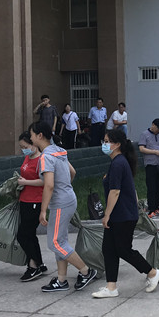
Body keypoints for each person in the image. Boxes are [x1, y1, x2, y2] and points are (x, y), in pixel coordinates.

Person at [92, 129, 159, 298]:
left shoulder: (118, 163)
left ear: (117, 144)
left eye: (107, 141)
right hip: (121, 214)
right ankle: (111, 287)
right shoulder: (119, 161)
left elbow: (115, 191)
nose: (104, 144)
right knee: (109, 249)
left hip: (122, 215)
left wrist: (107, 214)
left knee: (123, 249)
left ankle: (152, 272)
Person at [32, 121, 98, 292]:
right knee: (60, 241)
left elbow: (49, 185)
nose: (31, 138)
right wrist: (65, 188)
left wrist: (43, 210)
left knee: (55, 242)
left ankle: (86, 271)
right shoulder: (59, 151)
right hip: (68, 198)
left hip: (60, 202)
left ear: (40, 136)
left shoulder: (46, 156)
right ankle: (61, 280)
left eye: (32, 135)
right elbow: (72, 172)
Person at [16, 131, 48, 281]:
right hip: (25, 199)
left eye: (25, 147)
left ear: (33, 144)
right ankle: (39, 263)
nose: (24, 150)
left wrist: (25, 182)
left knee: (23, 235)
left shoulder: (41, 160)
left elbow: (44, 181)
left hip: (35, 200)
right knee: (30, 234)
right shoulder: (28, 157)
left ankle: (33, 265)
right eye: (22, 147)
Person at [139, 118, 159, 218]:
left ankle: (157, 206)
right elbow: (141, 148)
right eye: (158, 128)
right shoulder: (144, 134)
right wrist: (155, 152)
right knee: (151, 187)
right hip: (150, 164)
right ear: (153, 125)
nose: (158, 131)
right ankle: (151, 208)